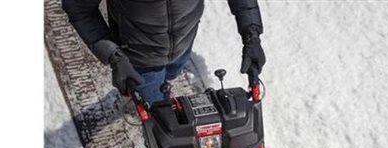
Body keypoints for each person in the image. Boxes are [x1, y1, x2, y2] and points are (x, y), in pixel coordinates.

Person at [62, 0, 266, 104]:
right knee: (159, 119)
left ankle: (165, 81)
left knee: (172, 73)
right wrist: (114, 56)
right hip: (138, 56)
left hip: (185, 40)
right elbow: (79, 10)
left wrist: (252, 35)